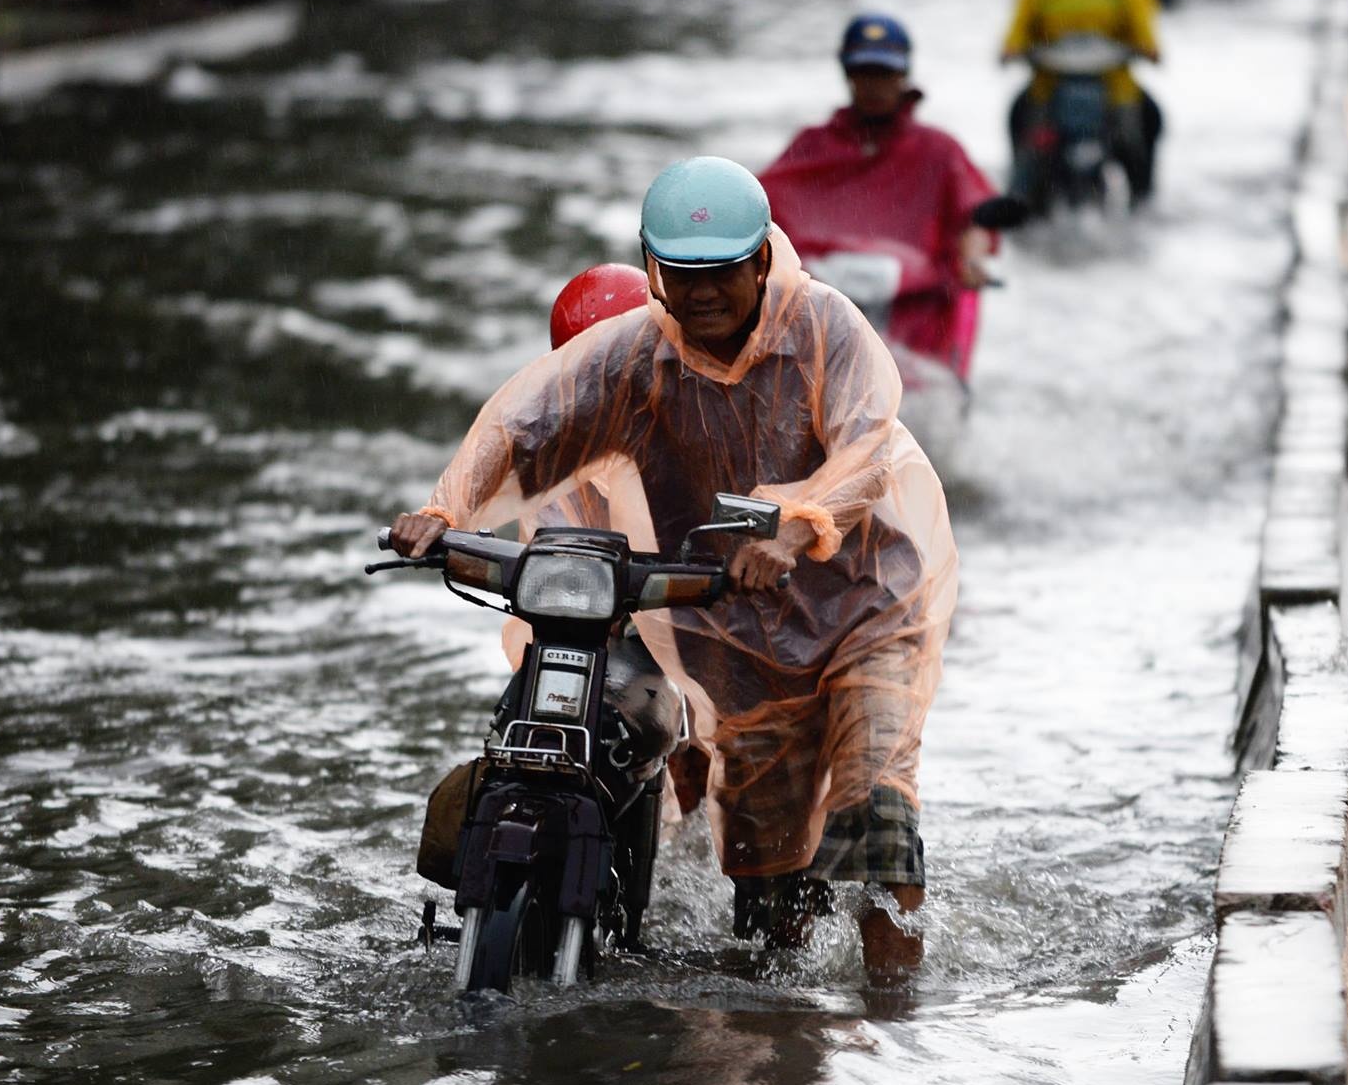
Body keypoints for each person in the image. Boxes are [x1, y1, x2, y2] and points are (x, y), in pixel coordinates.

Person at [389, 157, 959, 984]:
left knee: (872, 810)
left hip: (864, 604)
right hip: (744, 629)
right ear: (654, 270)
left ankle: (891, 1025)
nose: (701, 294)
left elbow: (867, 446)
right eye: (682, 273)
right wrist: (444, 510)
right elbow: (523, 421)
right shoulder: (633, 359)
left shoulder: (828, 330)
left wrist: (798, 526)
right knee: (769, 895)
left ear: (762, 259)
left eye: (722, 271)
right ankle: (787, 1048)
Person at [758, 14, 998, 379]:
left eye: (883, 74)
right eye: (864, 73)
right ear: (848, 75)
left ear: (903, 75)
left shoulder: (939, 150)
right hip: (827, 295)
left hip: (916, 305)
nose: (874, 85)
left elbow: (974, 217)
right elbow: (763, 209)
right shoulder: (811, 146)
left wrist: (972, 258)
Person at [1002, 0, 1165, 207]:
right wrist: (1012, 48)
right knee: (1023, 127)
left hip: (1114, 86)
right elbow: (1019, 26)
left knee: (1140, 132)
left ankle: (1142, 199)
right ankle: (1021, 203)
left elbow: (1142, 18)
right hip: (1051, 86)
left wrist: (1148, 46)